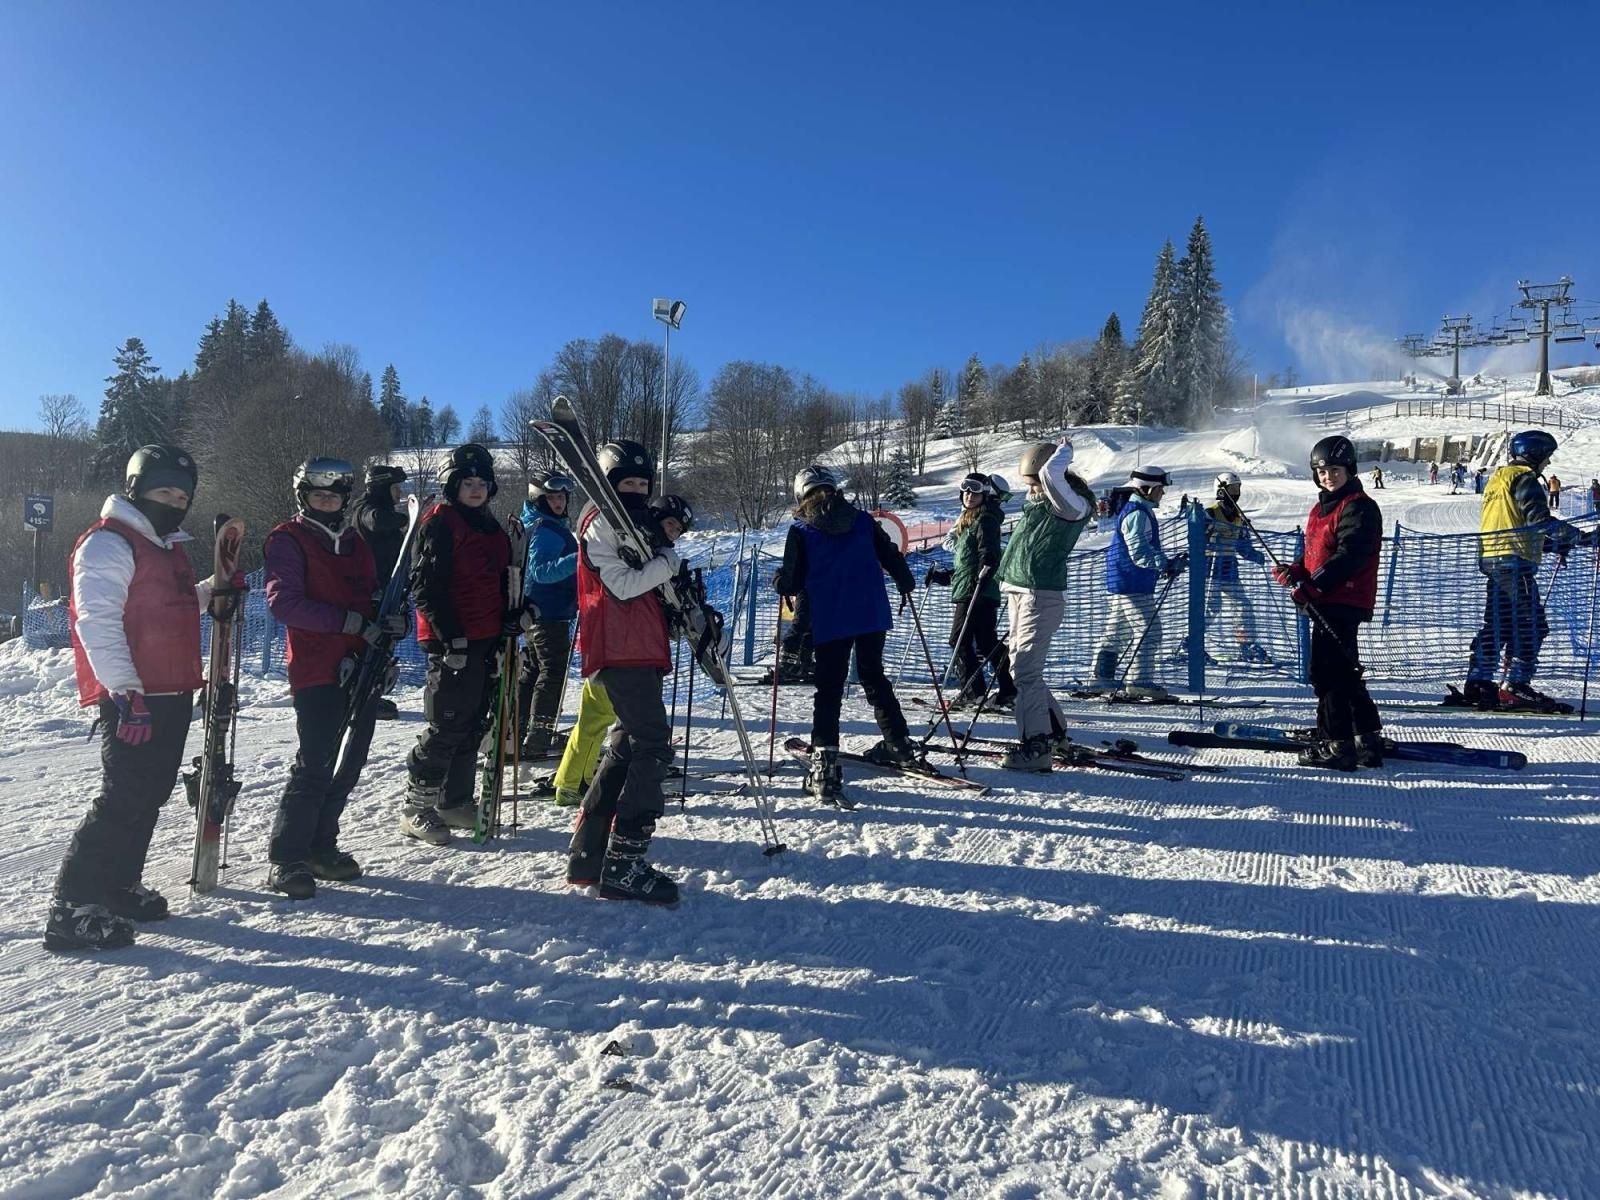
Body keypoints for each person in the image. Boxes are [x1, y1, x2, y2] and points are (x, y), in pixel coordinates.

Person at [46, 445, 217, 950]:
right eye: (165, 490)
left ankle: (118, 885)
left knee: (150, 795)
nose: (175, 501)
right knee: (123, 797)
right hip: (134, 695)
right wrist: (124, 690)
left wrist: (215, 589)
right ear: (137, 488)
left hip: (171, 690)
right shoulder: (108, 544)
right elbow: (96, 621)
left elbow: (175, 608)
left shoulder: (165, 546)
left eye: (183, 495)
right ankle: (71, 907)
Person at [263, 458, 402, 898]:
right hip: (316, 668)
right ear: (303, 496)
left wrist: (385, 624)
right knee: (317, 761)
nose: (327, 502)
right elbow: (284, 603)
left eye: (335, 495)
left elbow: (370, 597)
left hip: (362, 665)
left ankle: (322, 846)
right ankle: (288, 858)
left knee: (349, 761)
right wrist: (351, 623)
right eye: (319, 494)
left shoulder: (355, 543)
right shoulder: (289, 539)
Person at [563, 442, 689, 903]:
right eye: (627, 483)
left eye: (642, 484)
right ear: (609, 483)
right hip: (619, 648)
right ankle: (624, 862)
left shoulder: (634, 526)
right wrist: (666, 564)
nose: (635, 491)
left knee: (626, 744)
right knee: (653, 744)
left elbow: (648, 588)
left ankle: (589, 852)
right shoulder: (600, 523)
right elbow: (621, 584)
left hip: (638, 647)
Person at [773, 465, 917, 806]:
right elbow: (891, 555)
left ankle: (824, 764)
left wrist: (779, 580)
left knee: (830, 689)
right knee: (874, 677)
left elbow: (791, 583)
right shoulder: (864, 520)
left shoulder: (801, 529)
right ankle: (899, 744)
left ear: (801, 495)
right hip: (870, 612)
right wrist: (904, 581)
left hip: (831, 616)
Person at [402, 443, 520, 844]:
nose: (475, 489)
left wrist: (514, 614)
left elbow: (501, 580)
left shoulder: (490, 526)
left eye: (481, 483)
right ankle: (416, 807)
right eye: (467, 482)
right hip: (452, 639)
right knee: (448, 723)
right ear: (453, 485)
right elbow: (425, 587)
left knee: (473, 724)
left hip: (487, 637)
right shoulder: (441, 522)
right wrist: (449, 634)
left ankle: (453, 801)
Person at [1454, 430, 1589, 711]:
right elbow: (1539, 520)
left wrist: (1550, 545)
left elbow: (1515, 527)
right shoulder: (1525, 479)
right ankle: (1515, 686)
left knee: (1500, 625)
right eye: (1546, 457)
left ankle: (1478, 681)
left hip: (1496, 560)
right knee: (1532, 626)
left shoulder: (1500, 479)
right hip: (1513, 566)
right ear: (1536, 454)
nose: (1547, 464)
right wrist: (1583, 538)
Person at [1271, 435, 1384, 770]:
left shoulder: (1359, 505)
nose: (1328, 476)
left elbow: (1352, 554)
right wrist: (1296, 571)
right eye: (1321, 471)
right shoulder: (1321, 508)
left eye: (1334, 469)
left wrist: (1314, 586)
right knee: (1345, 671)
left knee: (1327, 673)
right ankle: (1366, 737)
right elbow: (1315, 554)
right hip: (1327, 598)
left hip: (1343, 597)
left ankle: (1337, 744)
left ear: (1348, 469)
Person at [994, 442, 1096, 770]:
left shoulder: (1072, 506)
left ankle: (1037, 746)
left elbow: (1052, 477)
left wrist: (1059, 457)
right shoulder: (1038, 508)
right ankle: (1053, 734)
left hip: (1040, 595)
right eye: (1029, 486)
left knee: (1025, 670)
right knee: (1021, 669)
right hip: (1019, 591)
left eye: (1034, 484)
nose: (1032, 491)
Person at [1091, 465, 1187, 699]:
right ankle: (1139, 681)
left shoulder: (1138, 510)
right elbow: (1139, 552)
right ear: (1146, 489)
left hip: (1125, 579)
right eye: (1159, 489)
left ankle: (1101, 678)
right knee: (1150, 632)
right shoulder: (1137, 513)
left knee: (1117, 631)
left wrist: (1162, 564)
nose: (1162, 494)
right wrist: (1164, 564)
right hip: (1131, 582)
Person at [925, 472, 1016, 709]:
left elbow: (989, 553)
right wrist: (944, 577)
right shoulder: (971, 521)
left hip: (978, 591)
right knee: (986, 643)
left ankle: (973, 692)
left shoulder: (985, 519)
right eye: (965, 490)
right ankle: (1010, 688)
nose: (969, 495)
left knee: (959, 641)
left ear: (985, 495)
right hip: (974, 588)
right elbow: (968, 564)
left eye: (975, 491)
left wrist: (984, 571)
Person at [516, 468, 579, 760]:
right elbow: (541, 572)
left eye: (562, 497)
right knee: (553, 671)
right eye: (552, 497)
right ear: (538, 498)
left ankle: (516, 733)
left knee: (533, 671)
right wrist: (582, 558)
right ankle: (539, 735)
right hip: (548, 613)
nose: (559, 503)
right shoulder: (546, 529)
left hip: (540, 611)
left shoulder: (541, 524)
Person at [351, 463, 410, 721]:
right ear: (383, 488)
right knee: (369, 645)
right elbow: (374, 521)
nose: (399, 494)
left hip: (386, 589)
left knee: (382, 645)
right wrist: (406, 518)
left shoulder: (377, 507)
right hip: (370, 592)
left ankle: (370, 692)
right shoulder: (366, 508)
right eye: (396, 488)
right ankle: (359, 695)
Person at [1204, 471, 1267, 663]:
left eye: (1238, 488)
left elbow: (1243, 544)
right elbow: (1197, 539)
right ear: (1221, 490)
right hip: (1210, 567)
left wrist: (1254, 555)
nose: (1236, 492)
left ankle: (1246, 644)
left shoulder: (1239, 517)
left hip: (1229, 567)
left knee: (1243, 605)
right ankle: (1190, 644)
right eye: (1232, 489)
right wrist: (1210, 541)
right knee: (1210, 608)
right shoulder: (1210, 514)